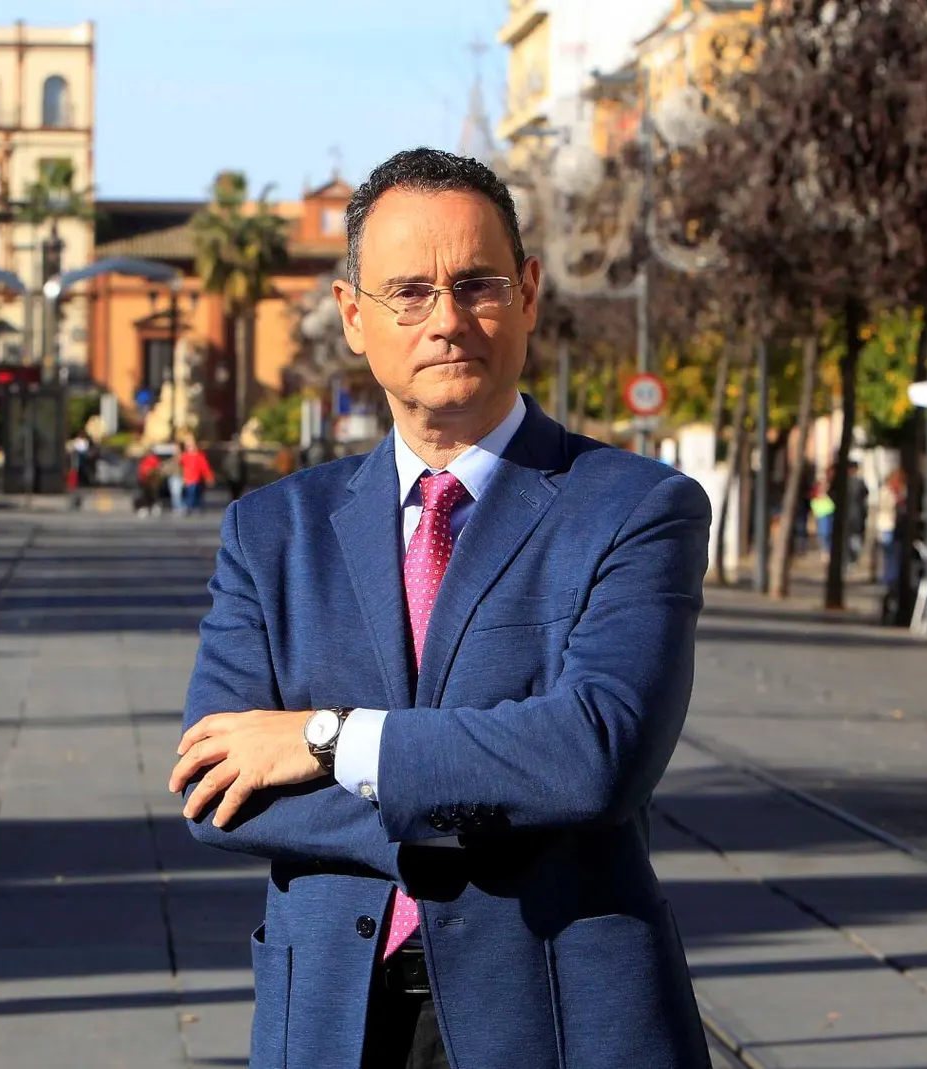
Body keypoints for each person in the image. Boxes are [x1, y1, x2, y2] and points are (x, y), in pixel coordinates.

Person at [168, 148, 713, 1069]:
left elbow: (597, 756)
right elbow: (214, 786)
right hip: (334, 1023)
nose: (448, 320)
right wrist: (495, 784)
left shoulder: (635, 508)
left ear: (531, 293)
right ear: (353, 315)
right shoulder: (271, 534)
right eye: (410, 292)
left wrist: (327, 741)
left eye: (479, 283)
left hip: (561, 1020)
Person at [177, 436, 214, 514]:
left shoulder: (199, 456)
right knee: (190, 493)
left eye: (191, 446)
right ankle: (190, 507)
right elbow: (179, 464)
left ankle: (194, 506)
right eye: (188, 447)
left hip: (197, 478)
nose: (190, 448)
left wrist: (209, 477)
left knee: (196, 493)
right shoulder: (184, 456)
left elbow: (205, 468)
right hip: (188, 479)